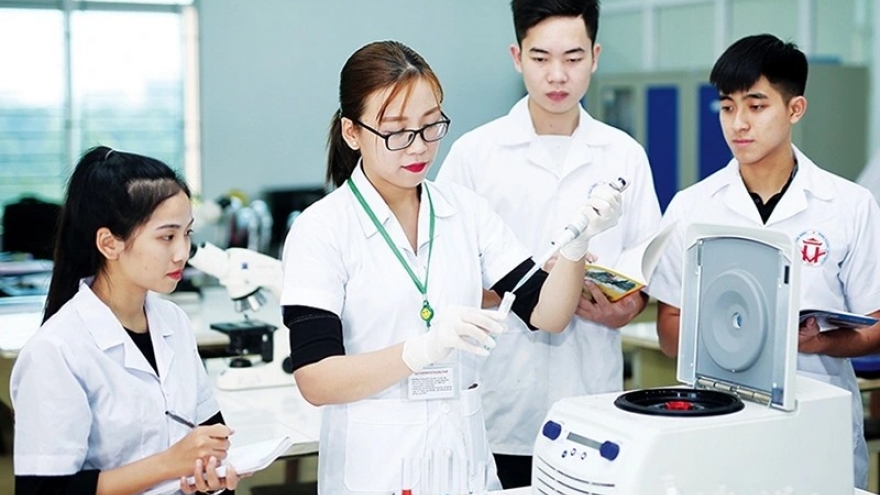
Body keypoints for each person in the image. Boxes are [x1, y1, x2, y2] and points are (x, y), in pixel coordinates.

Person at [279, 40, 623, 495]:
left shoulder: (466, 211)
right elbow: (316, 378)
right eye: (397, 132)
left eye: (431, 126)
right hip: (375, 469)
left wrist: (578, 244)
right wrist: (422, 350)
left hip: (464, 466)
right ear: (352, 132)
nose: (418, 147)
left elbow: (548, 314)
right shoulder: (322, 228)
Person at [435, 0, 661, 487]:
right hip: (499, 405)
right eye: (541, 58)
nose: (557, 75)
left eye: (573, 58)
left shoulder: (625, 154)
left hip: (593, 402)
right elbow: (441, 279)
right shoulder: (474, 155)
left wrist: (622, 307)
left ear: (595, 57)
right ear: (517, 57)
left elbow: (642, 271)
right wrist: (537, 288)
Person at [648, 34, 880, 489]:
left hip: (817, 420)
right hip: (721, 421)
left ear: (795, 109)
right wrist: (730, 336)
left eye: (756, 106)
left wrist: (819, 343)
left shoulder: (849, 205)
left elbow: (876, 324)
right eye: (727, 107)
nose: (738, 123)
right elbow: (669, 334)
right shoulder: (691, 208)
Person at [11, 146, 241, 495]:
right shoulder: (56, 350)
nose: (182, 252)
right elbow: (42, 491)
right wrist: (169, 463)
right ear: (109, 243)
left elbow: (207, 438)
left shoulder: (173, 321)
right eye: (167, 237)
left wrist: (213, 480)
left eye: (187, 234)